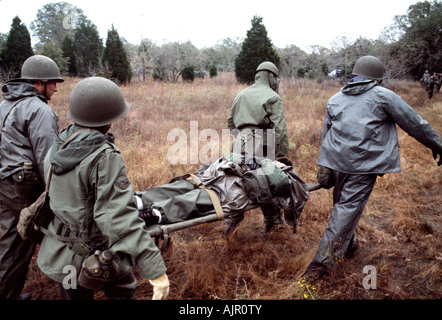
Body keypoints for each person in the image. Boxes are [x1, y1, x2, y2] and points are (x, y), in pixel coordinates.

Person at [304, 56, 442, 278]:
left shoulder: (335, 99)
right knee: (346, 209)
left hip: (338, 163)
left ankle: (347, 246)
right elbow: (415, 123)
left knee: (343, 206)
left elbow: (326, 135)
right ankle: (321, 266)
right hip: (362, 165)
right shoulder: (383, 96)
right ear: (378, 77)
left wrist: (326, 165)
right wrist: (438, 145)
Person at [36, 77, 169, 300]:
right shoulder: (104, 156)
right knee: (124, 292)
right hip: (97, 253)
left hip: (62, 252)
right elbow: (117, 217)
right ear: (108, 118)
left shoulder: (60, 143)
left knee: (73, 295)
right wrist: (156, 271)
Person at [0, 55, 64, 300]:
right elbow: (49, 160)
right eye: (53, 83)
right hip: (24, 190)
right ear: (39, 83)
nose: (56, 88)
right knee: (26, 243)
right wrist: (58, 196)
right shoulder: (39, 110)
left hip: (6, 185)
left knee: (10, 242)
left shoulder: (5, 104)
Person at [225, 61, 290, 236]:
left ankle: (233, 219)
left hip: (239, 145)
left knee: (237, 181)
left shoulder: (241, 94)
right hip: (262, 145)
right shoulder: (272, 97)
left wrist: (242, 137)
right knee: (269, 183)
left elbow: (231, 121)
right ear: (271, 76)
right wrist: (281, 156)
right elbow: (280, 130)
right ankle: (273, 223)